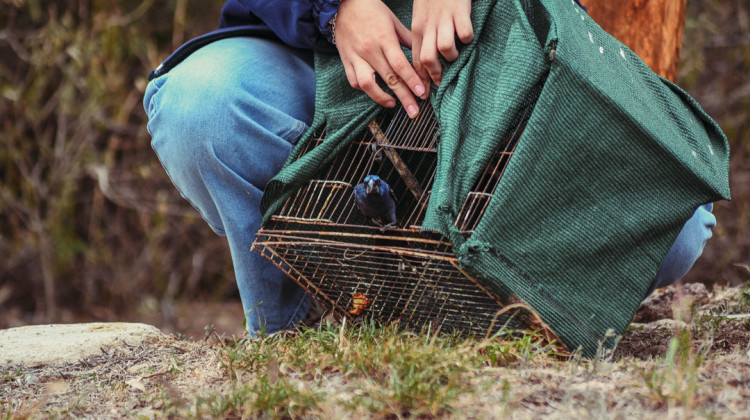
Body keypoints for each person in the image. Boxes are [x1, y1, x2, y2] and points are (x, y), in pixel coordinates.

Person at [143, 0, 716, 337]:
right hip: (316, 65)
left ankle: (482, 303)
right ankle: (305, 324)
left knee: (676, 225)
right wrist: (334, 8)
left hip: (503, 68)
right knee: (205, 108)